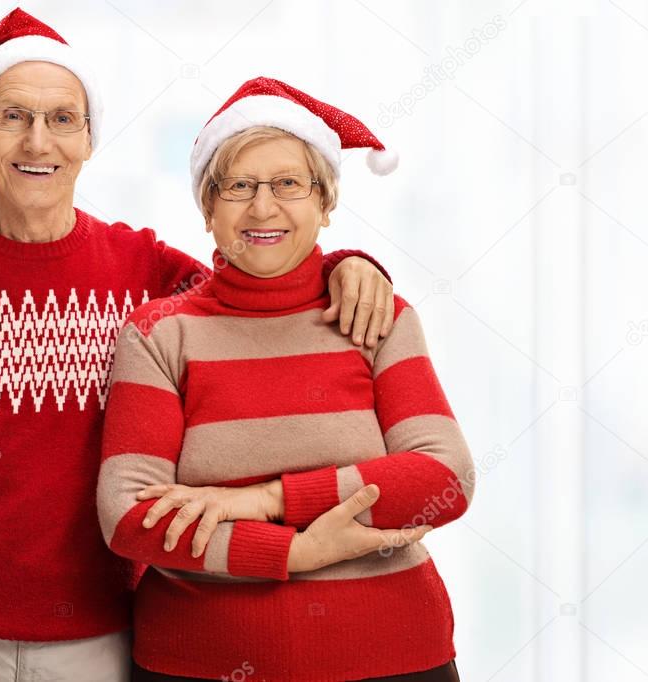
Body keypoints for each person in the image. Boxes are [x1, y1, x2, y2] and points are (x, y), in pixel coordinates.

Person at [0, 11, 396, 682]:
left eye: (63, 118)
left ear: (89, 137)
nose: (39, 140)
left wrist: (344, 265)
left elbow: (263, 293)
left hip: (103, 640)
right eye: (12, 116)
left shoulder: (144, 270)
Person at [97, 77, 474, 682]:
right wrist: (292, 552)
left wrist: (264, 500)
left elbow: (444, 478)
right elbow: (128, 515)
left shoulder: (378, 319)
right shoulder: (160, 334)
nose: (263, 207)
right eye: (239, 187)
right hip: (198, 662)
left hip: (394, 658)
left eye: (289, 185)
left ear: (326, 204)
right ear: (206, 208)